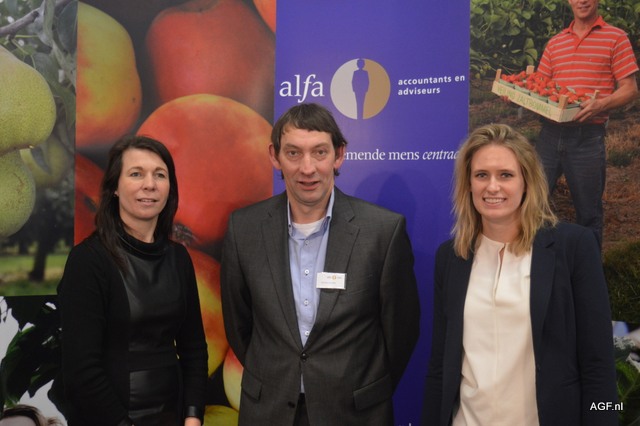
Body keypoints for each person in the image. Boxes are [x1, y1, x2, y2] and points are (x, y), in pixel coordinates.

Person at [220, 103, 420, 425]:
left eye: (320, 152)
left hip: (353, 414)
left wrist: (359, 388)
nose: (307, 168)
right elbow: (238, 326)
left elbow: (400, 333)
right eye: (293, 153)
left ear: (339, 155)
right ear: (275, 156)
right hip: (269, 411)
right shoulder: (244, 229)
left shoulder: (382, 231)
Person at [422, 124, 618, 426]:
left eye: (506, 175)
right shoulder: (451, 257)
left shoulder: (573, 247)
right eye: (481, 175)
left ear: (527, 181)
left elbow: (599, 365)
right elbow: (440, 365)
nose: (492, 187)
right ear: (468, 184)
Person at [57, 136, 208, 426]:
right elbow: (81, 373)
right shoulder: (88, 261)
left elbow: (194, 350)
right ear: (114, 187)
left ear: (170, 188)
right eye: (136, 174)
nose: (149, 184)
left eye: (160, 175)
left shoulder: (179, 258)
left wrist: (193, 417)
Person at [534, 0, 639, 248]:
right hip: (550, 135)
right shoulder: (555, 43)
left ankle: (588, 270)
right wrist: (514, 95)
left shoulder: (616, 37)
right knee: (531, 204)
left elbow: (630, 89)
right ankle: (535, 264)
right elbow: (538, 86)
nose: (582, 0)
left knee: (588, 213)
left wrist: (601, 104)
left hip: (587, 137)